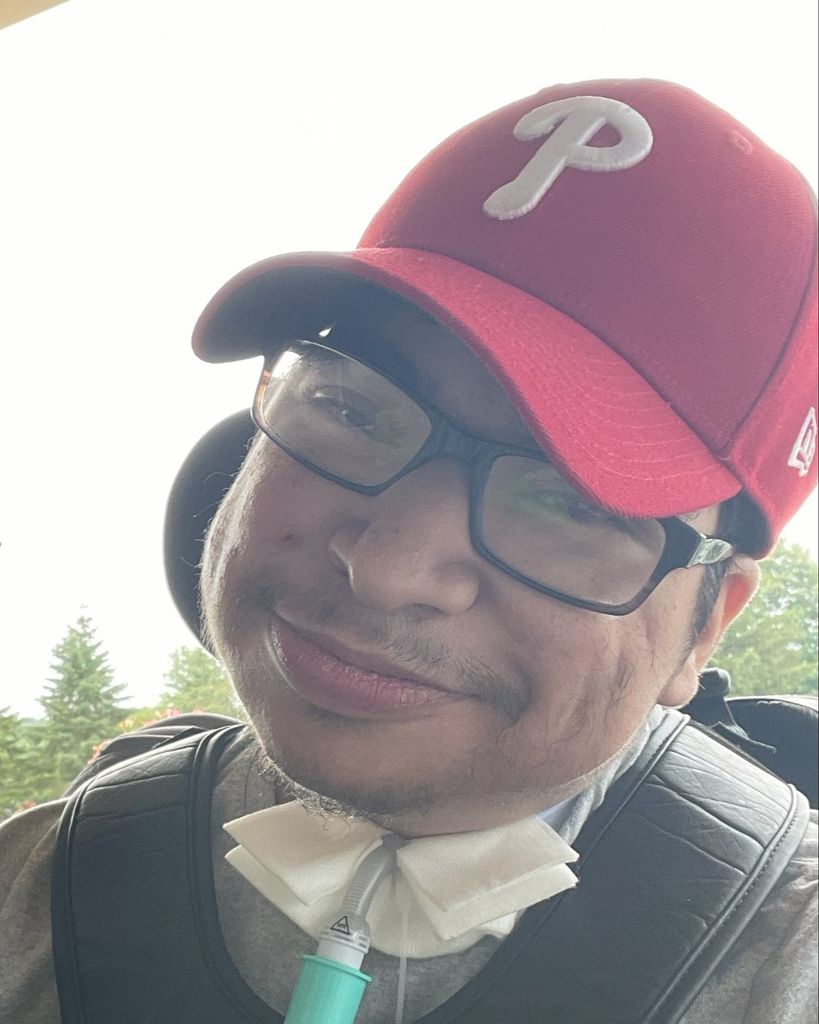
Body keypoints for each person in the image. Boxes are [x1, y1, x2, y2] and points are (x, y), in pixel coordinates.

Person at [1, 78, 816, 1024]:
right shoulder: (36, 883)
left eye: (568, 501)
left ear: (703, 627)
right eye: (351, 411)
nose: (387, 570)